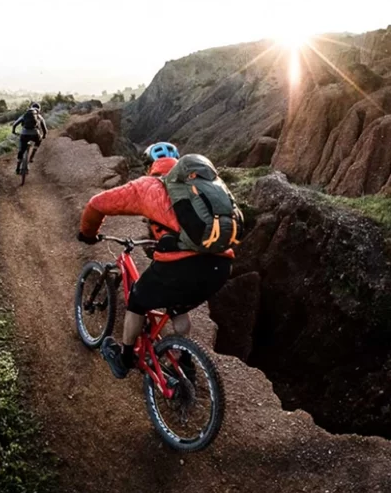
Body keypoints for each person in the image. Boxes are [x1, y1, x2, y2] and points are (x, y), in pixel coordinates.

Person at [77, 144, 234, 379]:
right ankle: (186, 362)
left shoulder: (146, 186)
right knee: (178, 305)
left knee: (137, 300)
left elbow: (97, 204)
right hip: (220, 266)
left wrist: (87, 233)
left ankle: (124, 359)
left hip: (183, 266)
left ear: (150, 165)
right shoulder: (205, 186)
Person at [12, 102, 48, 173]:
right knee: (38, 140)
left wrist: (13, 131)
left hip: (24, 135)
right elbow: (44, 129)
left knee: (21, 150)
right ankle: (32, 156)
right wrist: (43, 136)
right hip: (35, 135)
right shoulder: (39, 116)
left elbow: (15, 124)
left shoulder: (24, 115)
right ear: (39, 109)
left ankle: (17, 168)